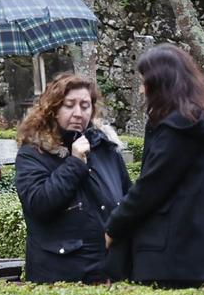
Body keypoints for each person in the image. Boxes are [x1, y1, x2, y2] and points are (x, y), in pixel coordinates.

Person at [104, 45, 204, 287]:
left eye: (145, 82)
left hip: (169, 252)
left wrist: (112, 227)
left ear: (161, 83)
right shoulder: (195, 122)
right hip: (190, 251)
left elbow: (150, 187)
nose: (141, 90)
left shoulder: (179, 128)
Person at [13, 73, 132, 284]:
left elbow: (127, 201)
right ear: (54, 109)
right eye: (70, 105)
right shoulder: (33, 153)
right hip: (60, 276)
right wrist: (75, 162)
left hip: (109, 272)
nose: (78, 113)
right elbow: (38, 204)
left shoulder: (106, 149)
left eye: (85, 105)